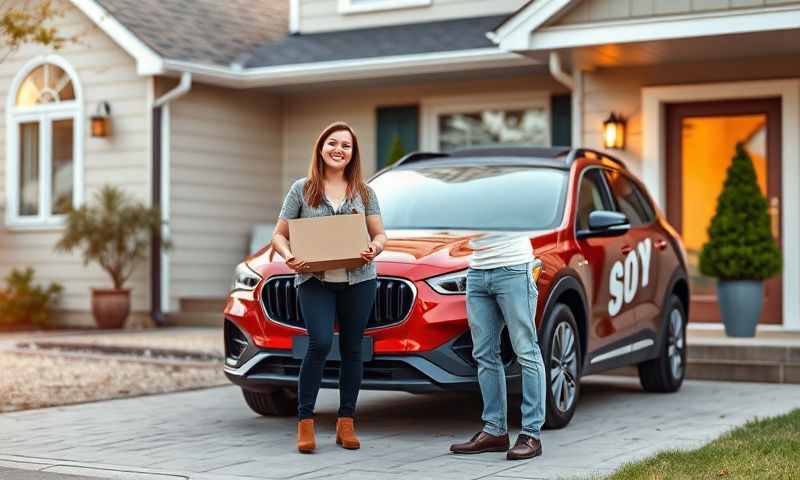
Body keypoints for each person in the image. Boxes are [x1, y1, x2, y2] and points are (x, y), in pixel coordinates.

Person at [271, 122, 386, 454]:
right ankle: (305, 422)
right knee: (319, 343)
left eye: (346, 146)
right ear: (321, 147)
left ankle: (346, 422)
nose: (339, 149)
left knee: (353, 349)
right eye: (332, 143)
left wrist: (375, 248)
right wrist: (289, 255)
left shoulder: (364, 192)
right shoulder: (302, 189)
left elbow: (379, 234)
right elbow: (279, 235)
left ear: (353, 153)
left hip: (359, 279)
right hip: (314, 279)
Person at [449, 232, 546, 460]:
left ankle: (531, 434)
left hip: (513, 267)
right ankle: (495, 431)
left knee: (526, 351)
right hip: (477, 270)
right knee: (484, 354)